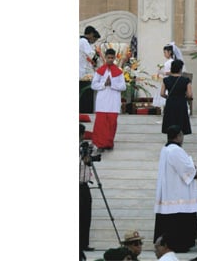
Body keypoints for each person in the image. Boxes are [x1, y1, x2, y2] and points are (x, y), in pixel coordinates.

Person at [153, 125, 197, 253]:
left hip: (170, 190)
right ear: (178, 136)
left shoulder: (165, 149)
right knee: (180, 220)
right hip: (178, 193)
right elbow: (186, 169)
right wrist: (195, 171)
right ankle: (180, 244)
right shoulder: (175, 150)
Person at [91, 48, 127, 151]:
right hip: (102, 100)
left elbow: (123, 86)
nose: (110, 59)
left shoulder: (119, 72)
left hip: (113, 101)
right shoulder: (100, 71)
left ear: (115, 58)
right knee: (101, 123)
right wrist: (103, 84)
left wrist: (112, 84)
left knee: (111, 123)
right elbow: (93, 85)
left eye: (112, 58)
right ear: (105, 58)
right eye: (108, 57)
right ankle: (100, 144)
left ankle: (108, 143)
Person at [79, 124, 98, 256]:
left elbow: (95, 155)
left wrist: (89, 152)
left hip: (84, 185)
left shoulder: (85, 147)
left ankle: (84, 243)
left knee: (86, 215)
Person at [161, 58, 193, 135]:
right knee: (180, 122)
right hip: (181, 102)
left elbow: (162, 93)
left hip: (170, 102)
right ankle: (179, 138)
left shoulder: (166, 80)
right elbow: (189, 94)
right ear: (180, 69)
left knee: (170, 121)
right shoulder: (186, 80)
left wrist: (168, 97)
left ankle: (170, 138)